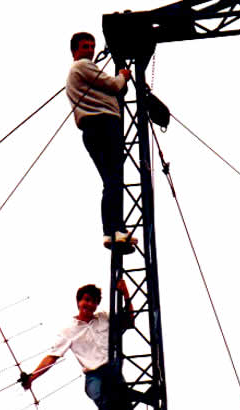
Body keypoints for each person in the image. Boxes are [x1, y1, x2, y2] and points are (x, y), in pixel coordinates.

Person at [20, 280, 148, 410]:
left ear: (97, 305)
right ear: (79, 302)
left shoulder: (104, 319)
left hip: (114, 375)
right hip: (95, 378)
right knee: (107, 401)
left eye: (92, 301)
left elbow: (129, 321)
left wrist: (126, 296)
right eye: (85, 300)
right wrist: (32, 377)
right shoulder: (69, 331)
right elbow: (52, 357)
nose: (88, 305)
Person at [66, 32, 137, 251]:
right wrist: (123, 74)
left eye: (92, 46)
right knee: (113, 179)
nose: (90, 50)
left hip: (95, 128)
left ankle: (115, 230)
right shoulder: (82, 66)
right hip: (102, 126)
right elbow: (115, 86)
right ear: (75, 51)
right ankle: (113, 229)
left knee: (112, 180)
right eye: (85, 46)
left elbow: (113, 88)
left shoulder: (81, 71)